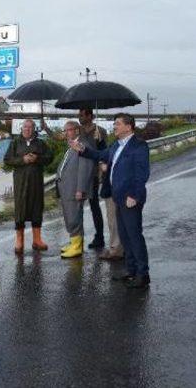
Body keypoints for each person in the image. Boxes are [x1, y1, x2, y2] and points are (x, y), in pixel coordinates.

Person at [70, 113, 151, 288]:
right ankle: (131, 270)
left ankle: (143, 274)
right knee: (125, 236)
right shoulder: (116, 145)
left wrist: (134, 196)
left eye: (118, 124)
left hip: (130, 199)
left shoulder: (139, 146)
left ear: (129, 127)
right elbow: (100, 154)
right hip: (118, 197)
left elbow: (141, 173)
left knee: (134, 235)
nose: (114, 127)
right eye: (114, 124)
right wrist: (82, 149)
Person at [3, 119, 53, 254]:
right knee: (20, 209)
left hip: (36, 182)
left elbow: (49, 158)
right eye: (25, 127)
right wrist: (22, 160)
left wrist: (37, 158)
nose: (27, 129)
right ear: (21, 128)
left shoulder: (41, 143)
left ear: (34, 129)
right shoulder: (15, 143)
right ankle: (19, 240)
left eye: (30, 127)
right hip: (20, 183)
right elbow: (7, 160)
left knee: (37, 207)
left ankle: (37, 240)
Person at [56, 121, 95, 258]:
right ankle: (74, 242)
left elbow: (85, 168)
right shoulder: (72, 145)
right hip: (67, 188)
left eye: (69, 130)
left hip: (75, 189)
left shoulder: (82, 145)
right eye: (65, 130)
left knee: (74, 217)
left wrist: (80, 189)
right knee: (70, 216)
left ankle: (77, 247)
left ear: (77, 130)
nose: (66, 133)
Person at [78, 109, 108, 249]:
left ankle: (99, 237)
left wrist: (99, 140)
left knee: (94, 205)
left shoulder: (100, 131)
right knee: (78, 206)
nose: (79, 117)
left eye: (82, 115)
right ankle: (78, 238)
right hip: (79, 172)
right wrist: (45, 128)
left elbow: (104, 153)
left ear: (90, 116)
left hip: (93, 173)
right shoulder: (78, 131)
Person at [97, 162, 124, 260]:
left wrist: (102, 165)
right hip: (116, 184)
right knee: (117, 218)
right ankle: (121, 248)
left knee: (113, 219)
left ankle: (116, 250)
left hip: (112, 185)